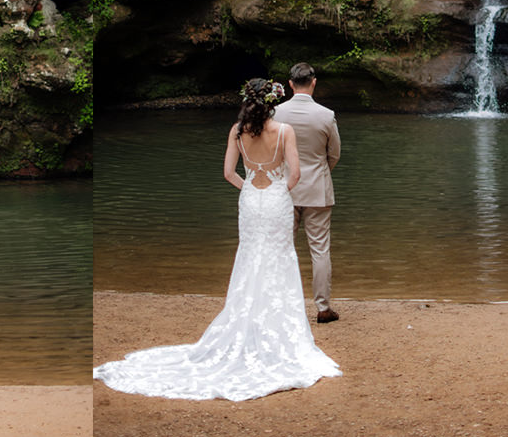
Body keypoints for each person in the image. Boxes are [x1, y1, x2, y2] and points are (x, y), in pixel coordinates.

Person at [93, 78, 340, 401]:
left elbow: (228, 173)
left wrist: (250, 188)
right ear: (272, 101)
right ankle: (280, 329)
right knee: (280, 257)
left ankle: (246, 321)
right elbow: (294, 174)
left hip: (251, 201)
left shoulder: (237, 131)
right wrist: (279, 191)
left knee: (250, 256)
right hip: (278, 200)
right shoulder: (284, 132)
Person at [273, 62, 341, 323]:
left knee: (282, 248)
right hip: (318, 190)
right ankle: (323, 307)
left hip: (284, 188)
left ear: (290, 84)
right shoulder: (326, 115)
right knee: (320, 250)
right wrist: (321, 172)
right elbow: (334, 154)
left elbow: (272, 151)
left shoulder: (276, 113)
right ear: (314, 82)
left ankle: (281, 306)